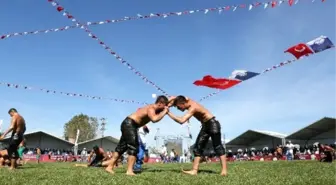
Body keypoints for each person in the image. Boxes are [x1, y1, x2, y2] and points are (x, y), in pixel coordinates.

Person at [103, 95, 169, 175]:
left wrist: (169, 104)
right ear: (160, 103)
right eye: (164, 106)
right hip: (130, 124)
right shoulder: (151, 108)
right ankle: (129, 171)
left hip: (129, 124)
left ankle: (109, 167)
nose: (164, 108)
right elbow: (154, 119)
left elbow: (170, 102)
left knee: (121, 147)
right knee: (133, 147)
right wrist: (164, 112)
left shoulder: (156, 108)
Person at [167, 95, 227, 176]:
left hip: (213, 124)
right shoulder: (186, 99)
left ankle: (224, 171)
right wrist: (169, 103)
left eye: (178, 107)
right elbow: (174, 97)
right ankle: (194, 171)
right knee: (198, 147)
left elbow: (181, 120)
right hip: (205, 125)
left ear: (182, 103)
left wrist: (168, 113)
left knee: (218, 146)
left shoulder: (193, 108)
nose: (178, 109)